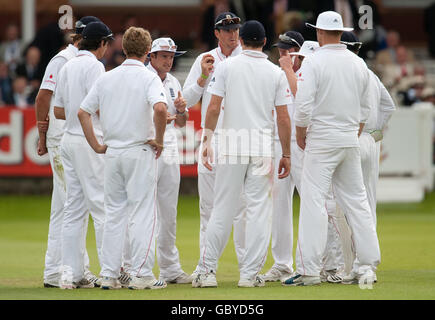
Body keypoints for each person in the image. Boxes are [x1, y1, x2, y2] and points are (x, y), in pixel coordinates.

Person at [282, 11, 380, 287]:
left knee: (314, 201)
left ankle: (310, 269)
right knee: (357, 202)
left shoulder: (314, 62)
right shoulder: (357, 63)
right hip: (349, 138)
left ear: (320, 33)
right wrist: (353, 131)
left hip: (322, 139)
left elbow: (303, 105)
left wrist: (300, 134)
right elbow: (365, 108)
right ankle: (367, 265)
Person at [193, 20, 292, 288]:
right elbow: (283, 119)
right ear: (263, 41)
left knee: (222, 208)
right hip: (261, 147)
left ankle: (207, 271)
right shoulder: (275, 73)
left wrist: (207, 140)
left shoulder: (226, 67)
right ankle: (249, 275)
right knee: (258, 211)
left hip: (232, 144)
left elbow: (213, 108)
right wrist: (286, 153)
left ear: (241, 40)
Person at [78, 26, 168, 290]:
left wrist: (96, 144)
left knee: (114, 214)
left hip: (113, 152)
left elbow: (83, 112)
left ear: (124, 48)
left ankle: (108, 274)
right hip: (139, 150)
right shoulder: (149, 78)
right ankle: (141, 274)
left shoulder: (107, 77)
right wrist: (160, 140)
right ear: (148, 51)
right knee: (142, 213)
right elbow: (161, 108)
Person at [35, 16, 102, 288]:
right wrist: (42, 137)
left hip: (68, 137)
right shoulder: (62, 60)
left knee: (65, 204)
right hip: (62, 138)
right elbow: (43, 97)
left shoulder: (74, 61)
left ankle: (57, 270)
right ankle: (73, 270)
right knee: (72, 203)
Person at [183, 12, 246, 277]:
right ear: (217, 33)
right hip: (212, 139)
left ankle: (248, 269)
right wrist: (202, 78)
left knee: (242, 210)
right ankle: (205, 267)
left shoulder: (248, 58)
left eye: (235, 29)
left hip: (241, 139)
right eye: (226, 29)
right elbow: (184, 101)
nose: (232, 34)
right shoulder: (204, 59)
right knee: (208, 208)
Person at [53, 21, 113, 289]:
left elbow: (59, 110)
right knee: (101, 206)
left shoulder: (68, 66)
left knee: (74, 209)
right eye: (107, 43)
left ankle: (70, 273)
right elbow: (98, 108)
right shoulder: (95, 66)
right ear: (101, 43)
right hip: (90, 140)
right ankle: (109, 272)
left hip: (68, 139)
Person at [333, 31, 396, 284]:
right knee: (367, 201)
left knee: (345, 206)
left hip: (351, 139)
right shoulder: (369, 74)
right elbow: (388, 106)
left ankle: (349, 265)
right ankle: (365, 264)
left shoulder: (345, 74)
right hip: (370, 140)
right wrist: (376, 131)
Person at [261, 38, 321, 283]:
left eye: (288, 51)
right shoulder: (276, 74)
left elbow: (303, 98)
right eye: (280, 50)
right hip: (279, 144)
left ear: (300, 53)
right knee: (279, 205)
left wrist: (288, 68)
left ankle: (317, 262)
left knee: (312, 201)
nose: (282, 54)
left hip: (305, 144)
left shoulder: (310, 72)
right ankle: (282, 263)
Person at [146, 37, 193, 284]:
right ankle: (142, 267)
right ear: (151, 56)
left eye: (171, 56)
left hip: (171, 146)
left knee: (168, 210)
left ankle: (170, 268)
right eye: (163, 56)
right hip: (150, 145)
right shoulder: (143, 77)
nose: (168, 60)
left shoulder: (173, 81)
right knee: (145, 209)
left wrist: (183, 111)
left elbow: (182, 122)